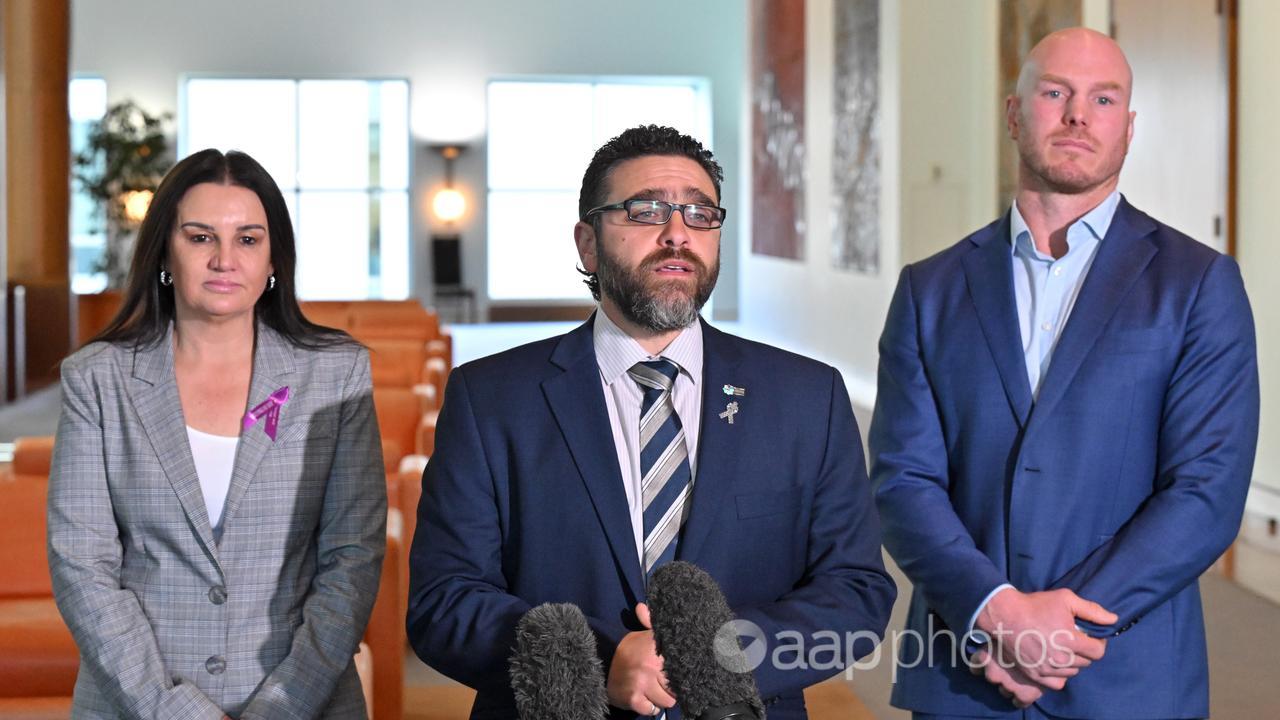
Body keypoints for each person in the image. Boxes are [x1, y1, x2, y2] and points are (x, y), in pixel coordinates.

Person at [407, 125, 896, 719]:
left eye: (699, 213)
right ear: (588, 244)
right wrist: (594, 662)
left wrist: (722, 660)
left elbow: (856, 593)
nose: (676, 234)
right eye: (645, 212)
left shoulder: (806, 397)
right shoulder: (491, 399)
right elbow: (443, 601)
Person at [870, 27, 1259, 720]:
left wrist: (1059, 633)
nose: (1079, 115)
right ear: (1015, 113)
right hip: (965, 674)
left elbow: (1206, 492)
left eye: (1103, 99)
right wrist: (997, 614)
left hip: (1125, 677)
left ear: (1128, 128)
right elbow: (903, 480)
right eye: (1056, 92)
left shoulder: (1198, 284)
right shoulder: (929, 290)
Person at [48, 149, 387, 719]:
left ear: (275, 257)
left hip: (304, 701)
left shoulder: (335, 375)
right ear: (165, 252)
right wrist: (175, 711)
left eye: (248, 240)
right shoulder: (97, 379)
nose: (225, 259)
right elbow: (82, 566)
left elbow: (352, 558)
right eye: (201, 238)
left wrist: (281, 707)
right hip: (137, 704)